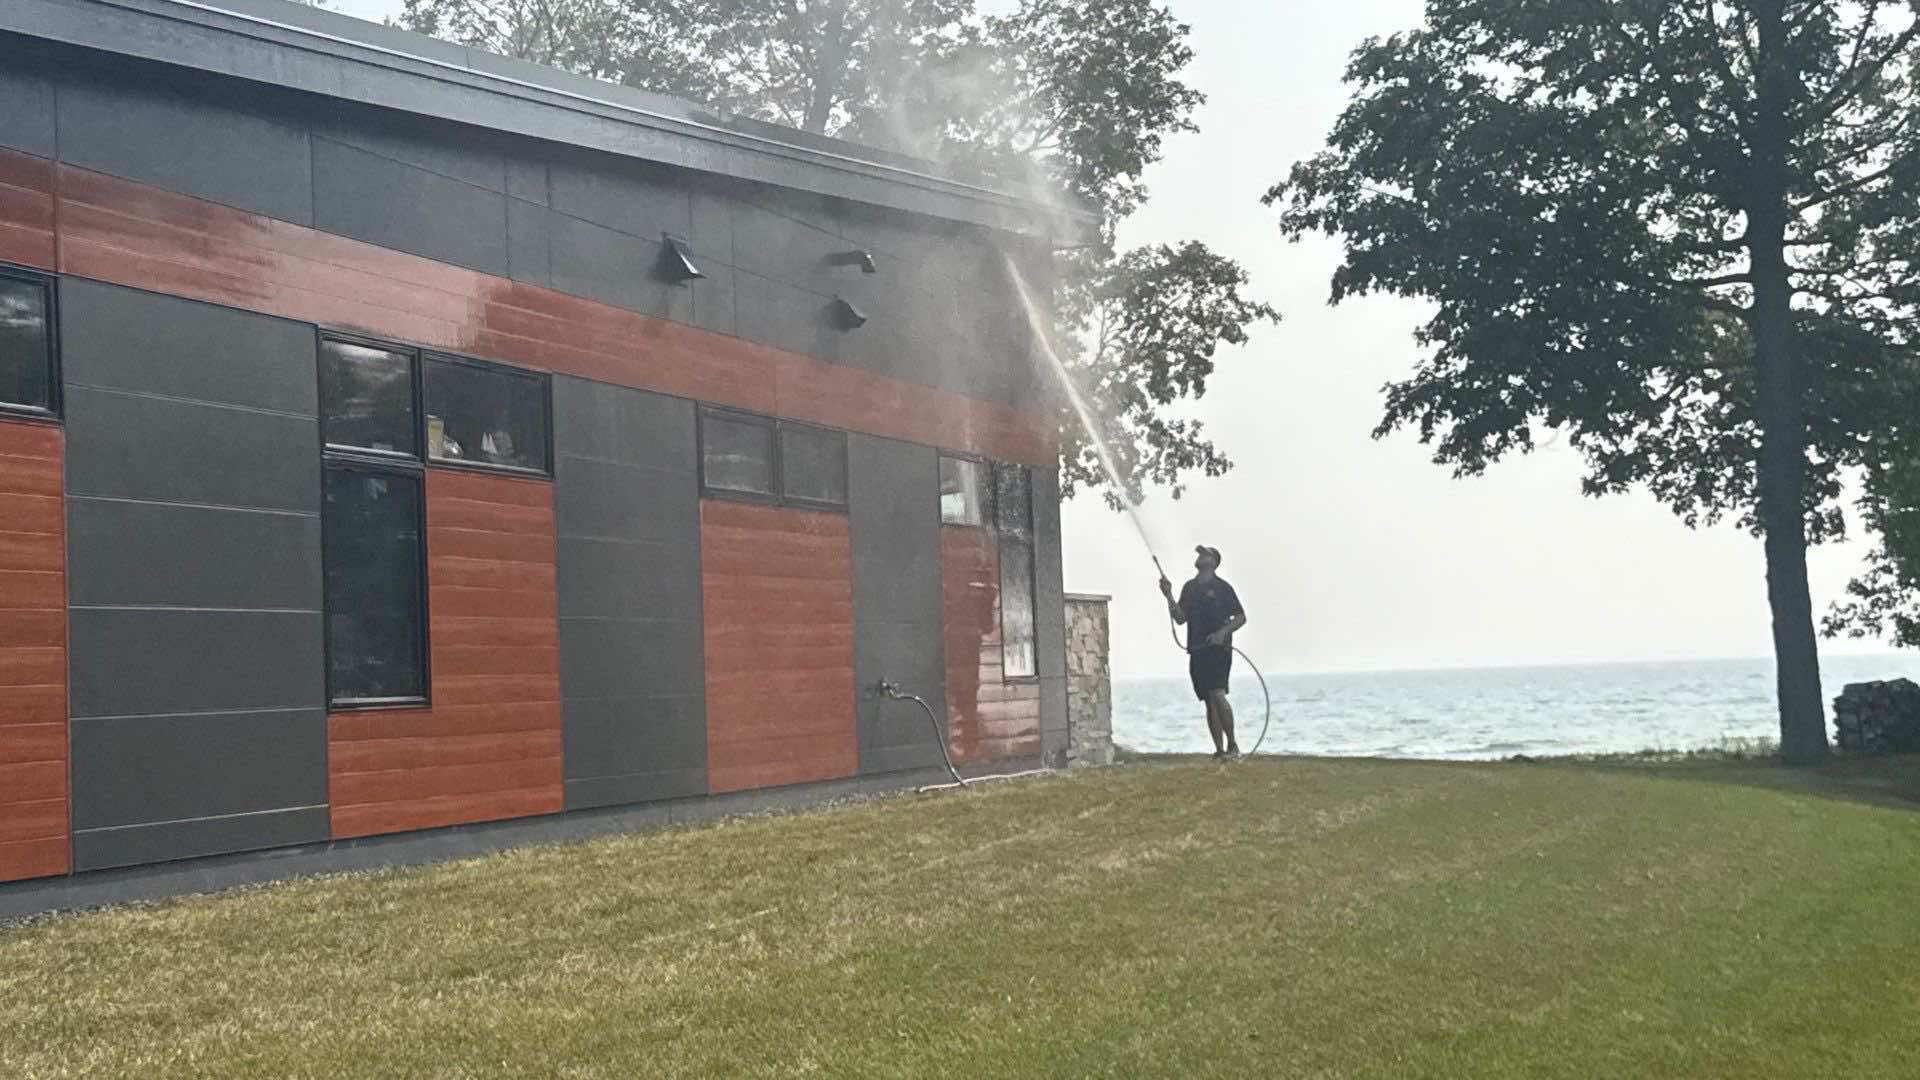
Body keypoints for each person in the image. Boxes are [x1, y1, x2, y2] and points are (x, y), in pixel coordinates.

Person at [1159, 545, 1248, 759]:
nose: (1199, 556)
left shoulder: (1222, 588)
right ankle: (1219, 750)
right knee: (1209, 700)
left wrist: (1221, 633)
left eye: (1204, 554)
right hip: (1197, 650)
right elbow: (1180, 618)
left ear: (1213, 561)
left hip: (1218, 649)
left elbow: (1241, 617)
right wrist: (1169, 595)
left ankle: (1233, 746)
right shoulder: (1189, 588)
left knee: (1218, 693)